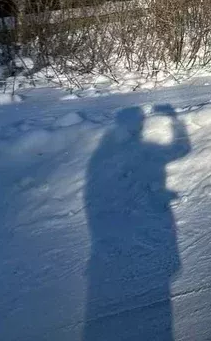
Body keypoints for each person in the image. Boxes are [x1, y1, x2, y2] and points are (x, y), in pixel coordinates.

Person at [83, 104, 190, 340]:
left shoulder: (106, 153)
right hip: (133, 235)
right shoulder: (130, 152)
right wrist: (175, 120)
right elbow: (181, 149)